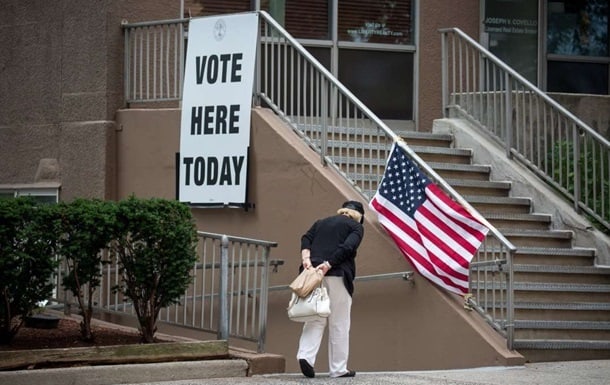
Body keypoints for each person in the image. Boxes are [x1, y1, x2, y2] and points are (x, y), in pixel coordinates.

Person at [296, 200, 365, 378]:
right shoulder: (355, 227)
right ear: (359, 216)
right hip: (337, 275)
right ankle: (338, 369)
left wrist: (307, 259)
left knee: (315, 317)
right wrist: (328, 264)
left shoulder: (321, 222)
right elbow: (348, 247)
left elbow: (306, 238)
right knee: (339, 322)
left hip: (312, 275)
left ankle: (306, 356)